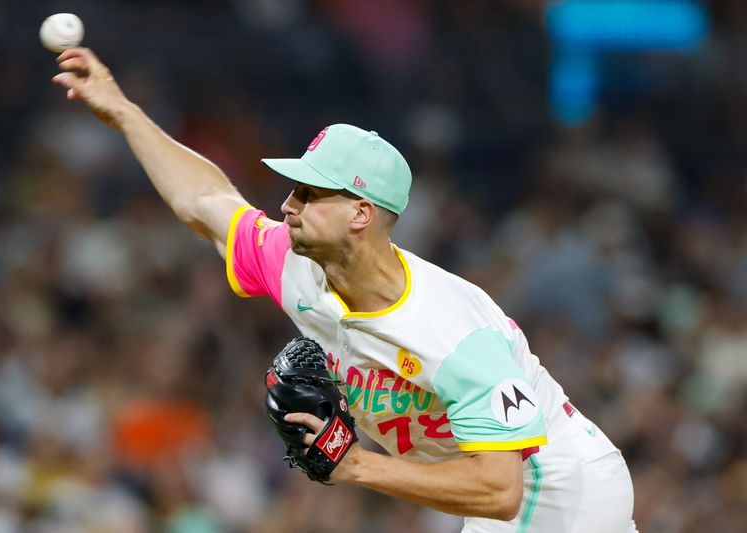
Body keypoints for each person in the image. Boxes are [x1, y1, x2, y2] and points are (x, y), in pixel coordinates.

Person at [52, 47, 638, 532]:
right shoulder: (296, 265)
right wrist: (127, 113)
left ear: (361, 213)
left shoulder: (457, 331)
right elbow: (205, 205)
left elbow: (500, 489)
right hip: (489, 491)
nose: (287, 205)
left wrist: (355, 465)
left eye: (309, 194)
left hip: (564, 488)